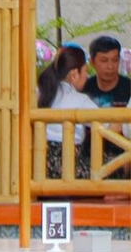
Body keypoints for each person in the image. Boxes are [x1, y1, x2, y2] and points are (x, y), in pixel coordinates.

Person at [37, 45, 98, 179]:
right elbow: (106, 125)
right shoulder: (80, 100)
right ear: (74, 74)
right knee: (116, 164)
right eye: (85, 71)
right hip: (70, 168)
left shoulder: (39, 92)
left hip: (37, 166)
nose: (87, 77)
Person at [82, 36, 130, 109]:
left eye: (115, 60)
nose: (110, 67)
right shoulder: (84, 89)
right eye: (104, 61)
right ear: (92, 62)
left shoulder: (128, 88)